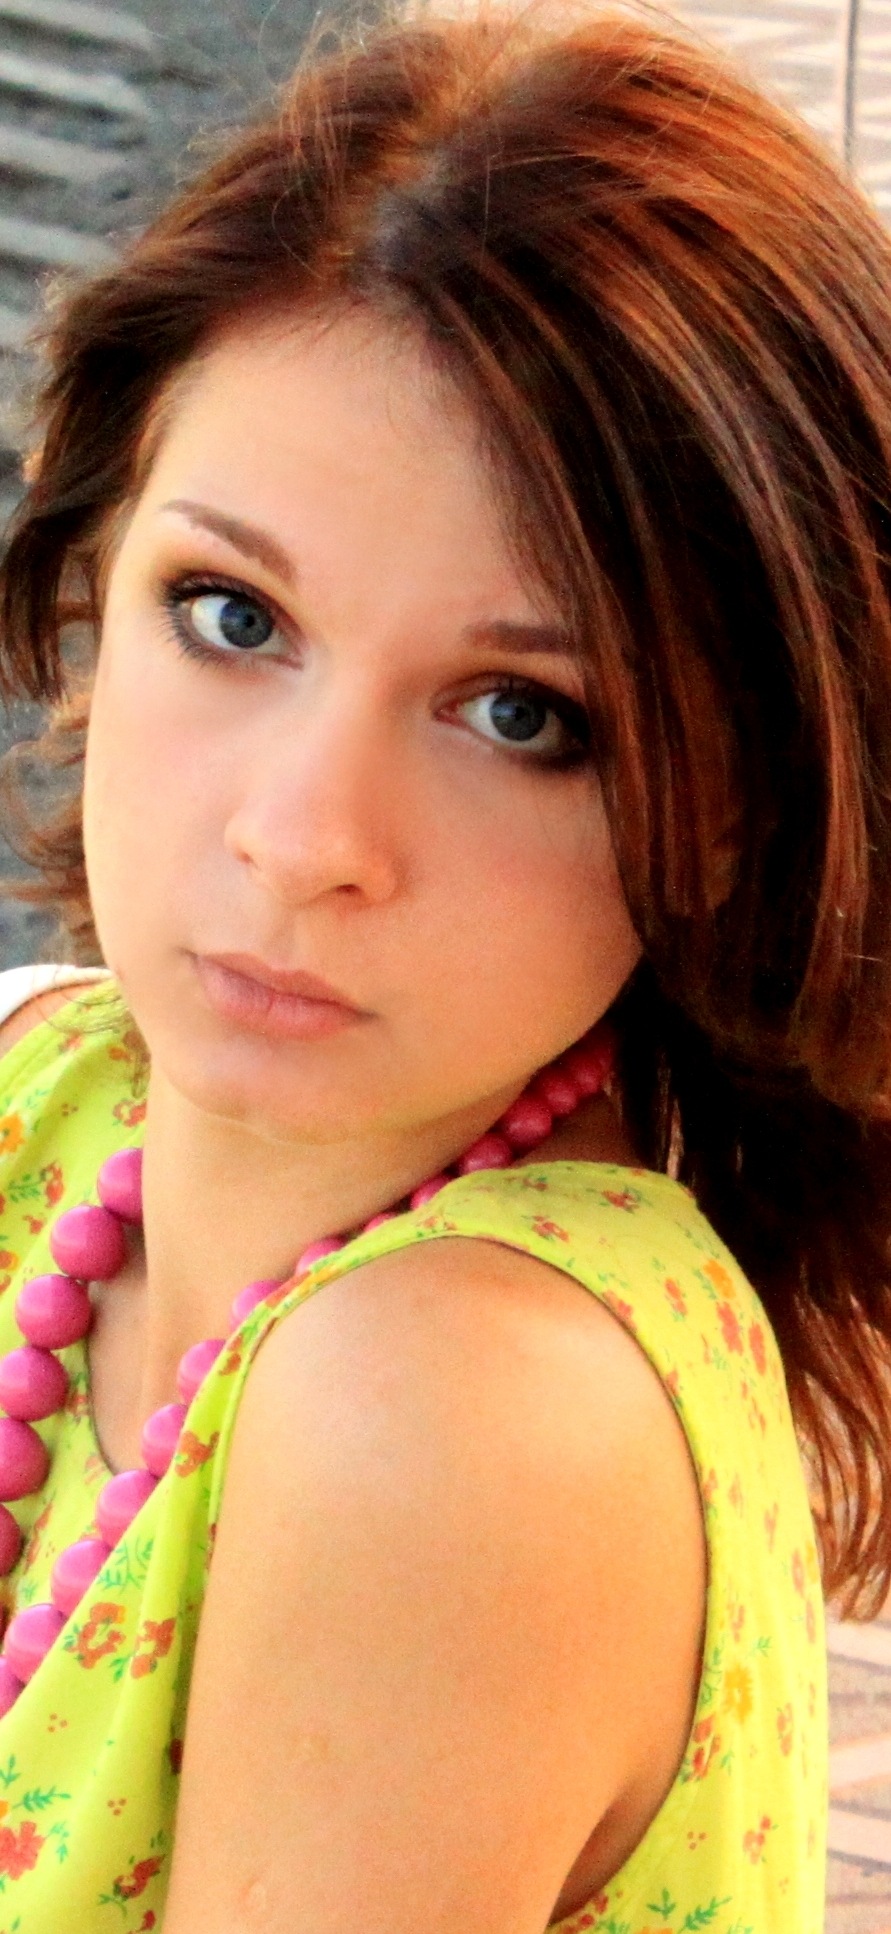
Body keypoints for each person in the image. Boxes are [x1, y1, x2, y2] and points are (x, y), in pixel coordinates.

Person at [3, 0, 891, 1923]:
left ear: (728, 811)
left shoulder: (459, 1416)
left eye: (519, 715)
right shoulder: (51, 1097)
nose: (305, 836)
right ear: (100, 558)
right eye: (231, 612)